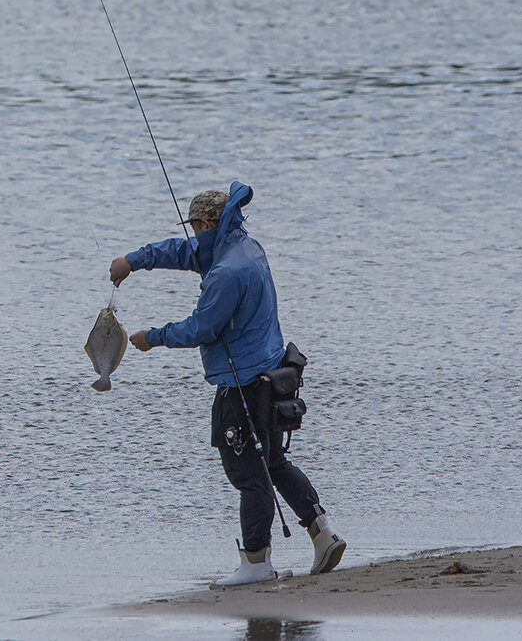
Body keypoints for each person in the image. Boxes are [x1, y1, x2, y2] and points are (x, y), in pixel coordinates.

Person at [108, 181, 345, 587]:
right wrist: (134, 260)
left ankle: (256, 563)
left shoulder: (226, 272)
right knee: (273, 463)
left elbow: (203, 327)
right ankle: (322, 533)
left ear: (204, 224)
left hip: (243, 385)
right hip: (271, 376)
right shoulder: (243, 246)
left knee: (247, 473)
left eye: (194, 229)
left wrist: (154, 337)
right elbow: (184, 252)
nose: (192, 238)